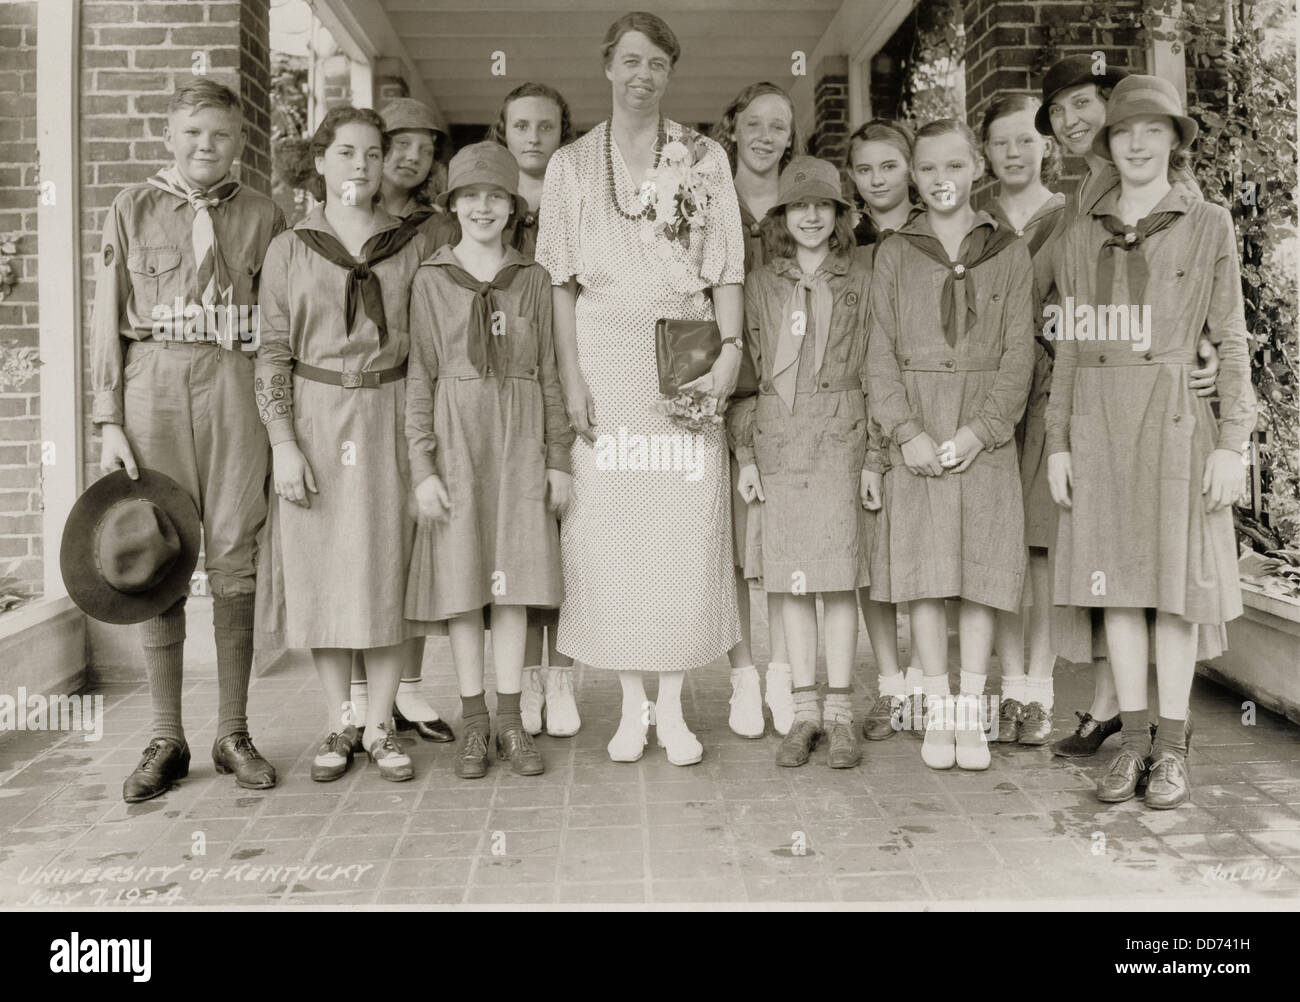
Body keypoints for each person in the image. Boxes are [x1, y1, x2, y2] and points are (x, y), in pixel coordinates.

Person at [534, 12, 745, 766]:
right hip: (605, 365)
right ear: (608, 67)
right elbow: (558, 285)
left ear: (669, 73)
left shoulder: (704, 157)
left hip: (683, 357)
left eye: (656, 63)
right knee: (610, 537)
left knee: (686, 531)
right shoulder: (569, 166)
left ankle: (677, 706)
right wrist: (571, 380)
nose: (642, 75)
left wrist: (731, 351)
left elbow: (726, 269)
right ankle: (629, 706)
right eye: (630, 60)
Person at [1046, 75, 1256, 809]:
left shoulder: (1209, 225)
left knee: (1172, 596)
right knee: (1120, 594)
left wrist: (1232, 442)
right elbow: (1068, 347)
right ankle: (1130, 745)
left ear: (1174, 141)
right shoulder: (1079, 234)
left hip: (1174, 422)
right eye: (1124, 133)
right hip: (1098, 426)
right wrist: (1059, 443)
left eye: (1153, 130)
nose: (1137, 143)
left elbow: (1230, 341)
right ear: (1108, 145)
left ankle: (1172, 750)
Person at [91, 78, 282, 803]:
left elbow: (279, 320)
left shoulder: (263, 214)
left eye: (223, 135)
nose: (208, 146)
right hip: (154, 387)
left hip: (234, 382)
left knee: (235, 549)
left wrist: (276, 413)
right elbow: (105, 313)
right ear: (170, 137)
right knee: (156, 550)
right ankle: (165, 737)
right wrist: (109, 419)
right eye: (195, 133)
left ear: (240, 143)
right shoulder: (132, 208)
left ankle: (233, 731)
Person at [256, 106, 431, 784]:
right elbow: (271, 350)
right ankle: (339, 719)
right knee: (325, 572)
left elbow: (428, 348)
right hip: (316, 417)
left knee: (387, 568)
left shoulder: (410, 245)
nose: (361, 164)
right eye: (347, 152)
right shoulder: (289, 248)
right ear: (321, 162)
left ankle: (383, 722)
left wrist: (423, 445)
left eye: (372, 152)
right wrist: (283, 443)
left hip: (389, 412)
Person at [867, 119, 1034, 772]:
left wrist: (981, 431)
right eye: (929, 169)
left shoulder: (1008, 251)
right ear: (914, 173)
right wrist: (904, 432)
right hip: (917, 425)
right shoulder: (895, 252)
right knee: (926, 578)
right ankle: (938, 710)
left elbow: (1020, 353)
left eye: (955, 168)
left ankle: (970, 709)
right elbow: (876, 349)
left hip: (979, 431)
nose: (941, 181)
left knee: (979, 575)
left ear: (977, 172)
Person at [405, 143, 573, 780]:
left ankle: (510, 718)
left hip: (521, 438)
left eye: (496, 197)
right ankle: (472, 720)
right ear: (452, 205)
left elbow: (551, 373)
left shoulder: (531, 279)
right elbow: (420, 375)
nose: (483, 207)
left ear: (512, 208)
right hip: (456, 438)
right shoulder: (431, 278)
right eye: (470, 196)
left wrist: (559, 458)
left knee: (514, 584)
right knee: (464, 583)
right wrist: (422, 467)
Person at [731, 156, 876, 769]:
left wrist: (874, 453)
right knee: (790, 581)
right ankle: (805, 709)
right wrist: (745, 450)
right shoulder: (761, 285)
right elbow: (745, 375)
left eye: (823, 205)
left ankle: (840, 711)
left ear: (840, 215)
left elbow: (876, 368)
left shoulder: (861, 280)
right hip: (779, 439)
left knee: (838, 578)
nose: (811, 216)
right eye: (798, 206)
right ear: (783, 218)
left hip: (842, 434)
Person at [342, 97, 457, 747]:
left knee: (412, 544)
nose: (413, 156)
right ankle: (360, 699)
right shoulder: (345, 217)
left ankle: (408, 690)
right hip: (355, 397)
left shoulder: (439, 228)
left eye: (425, 146)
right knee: (360, 540)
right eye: (400, 143)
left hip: (417, 398)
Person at [485, 82, 583, 738]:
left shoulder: (579, 202)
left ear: (561, 133)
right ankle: (523, 679)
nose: (533, 137)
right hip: (510, 388)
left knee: (571, 532)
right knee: (520, 541)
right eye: (521, 125)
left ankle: (564, 675)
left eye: (546, 126)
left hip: (574, 372)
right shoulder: (487, 207)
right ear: (506, 132)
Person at [712, 81, 803, 737]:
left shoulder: (805, 207)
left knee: (781, 541)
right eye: (756, 123)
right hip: (720, 391)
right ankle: (743, 674)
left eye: (779, 126)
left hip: (788, 395)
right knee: (729, 546)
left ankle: (783, 676)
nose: (767, 136)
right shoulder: (706, 201)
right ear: (734, 129)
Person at [980, 95, 1068, 746]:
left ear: (1046, 147)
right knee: (995, 545)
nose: (1013, 152)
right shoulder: (970, 220)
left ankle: (1041, 686)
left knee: (1041, 544)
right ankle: (1008, 685)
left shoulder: (1069, 218)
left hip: (1047, 394)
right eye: (1000, 142)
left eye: (1024, 141)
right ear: (984, 151)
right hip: (985, 399)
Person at [844, 118, 919, 740]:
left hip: (924, 415)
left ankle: (926, 683)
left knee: (922, 556)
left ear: (911, 167)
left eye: (887, 166)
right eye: (864, 170)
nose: (876, 181)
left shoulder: (939, 238)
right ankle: (892, 685)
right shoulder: (849, 250)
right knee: (872, 559)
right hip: (865, 415)